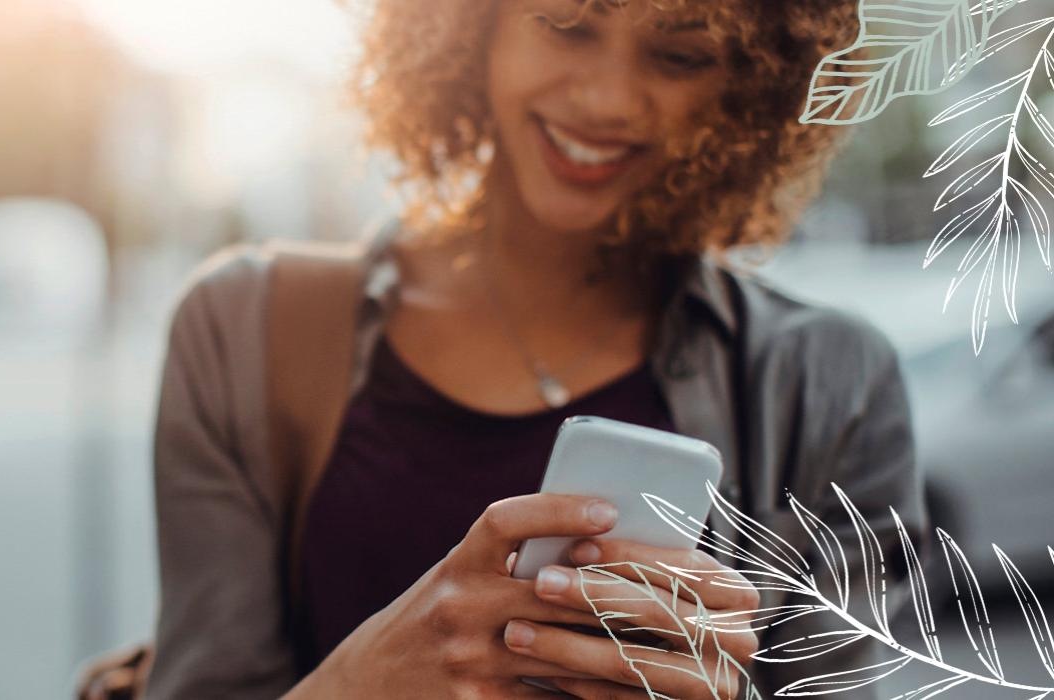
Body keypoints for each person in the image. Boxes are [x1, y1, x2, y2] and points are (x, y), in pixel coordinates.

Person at [147, 0, 923, 698]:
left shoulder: (834, 384)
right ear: (466, 23)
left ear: (754, 87)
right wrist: (367, 681)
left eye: (680, 56)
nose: (607, 100)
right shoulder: (245, 329)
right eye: (567, 25)